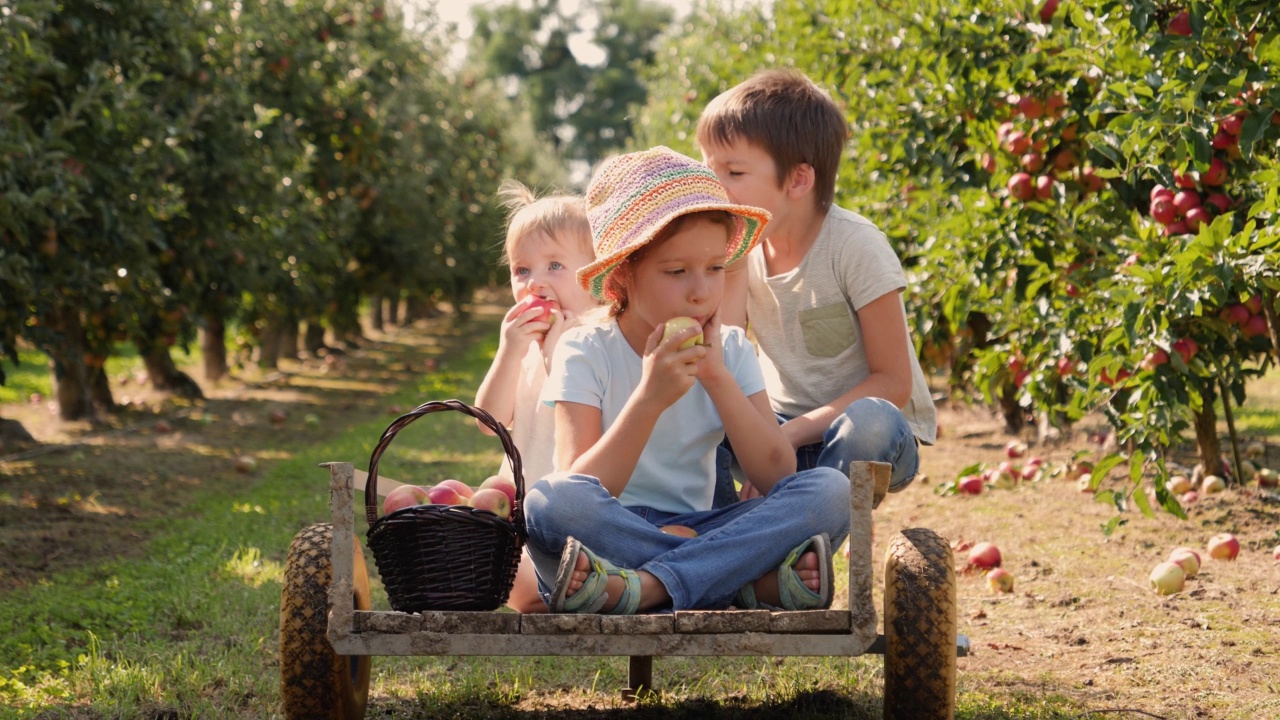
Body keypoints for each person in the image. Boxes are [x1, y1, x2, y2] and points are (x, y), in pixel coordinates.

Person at [522, 147, 851, 614]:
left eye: (715, 268)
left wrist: (716, 377)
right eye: (676, 272)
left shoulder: (731, 349)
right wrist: (648, 399)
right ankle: (739, 582)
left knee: (830, 492)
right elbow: (583, 486)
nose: (701, 290)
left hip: (707, 525)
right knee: (549, 503)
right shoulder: (586, 350)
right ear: (624, 274)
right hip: (615, 529)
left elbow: (776, 473)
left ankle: (647, 586)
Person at [696, 69, 936, 505]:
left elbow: (893, 383)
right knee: (694, 406)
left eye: (733, 172)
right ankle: (724, 539)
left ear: (798, 180)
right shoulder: (739, 252)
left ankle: (797, 532)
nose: (716, 187)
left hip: (865, 436)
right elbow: (725, 353)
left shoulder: (854, 245)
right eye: (708, 169)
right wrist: (727, 267)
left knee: (871, 422)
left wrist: (787, 435)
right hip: (780, 425)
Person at [474, 180, 599, 613]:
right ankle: (536, 595)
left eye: (555, 267)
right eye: (522, 271)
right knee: (486, 511)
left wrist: (557, 356)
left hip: (576, 502)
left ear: (597, 274)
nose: (535, 284)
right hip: (520, 499)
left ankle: (572, 582)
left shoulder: (599, 337)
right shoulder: (522, 342)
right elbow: (487, 420)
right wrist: (510, 351)